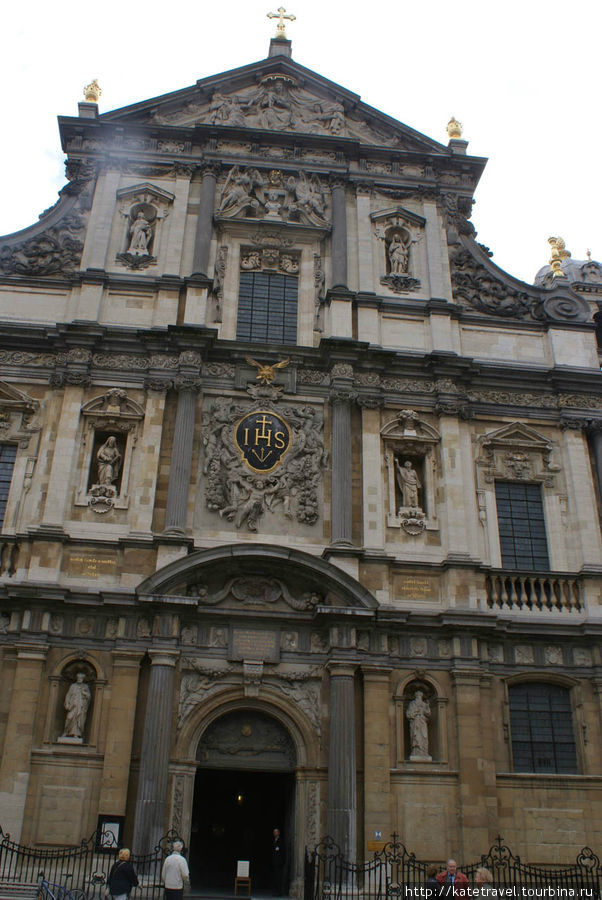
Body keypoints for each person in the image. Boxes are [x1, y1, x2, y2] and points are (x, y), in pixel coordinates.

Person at [62, 672, 91, 739]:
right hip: (73, 705)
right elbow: (68, 695)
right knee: (69, 718)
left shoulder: (85, 686)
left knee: (79, 719)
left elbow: (89, 696)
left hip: (81, 706)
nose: (79, 679)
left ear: (83, 679)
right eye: (78, 678)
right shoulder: (73, 686)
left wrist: (84, 693)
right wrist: (67, 703)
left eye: (81, 678)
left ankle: (76, 734)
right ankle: (66, 732)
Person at [271, 827, 286, 896]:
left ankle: (279, 892)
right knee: (275, 877)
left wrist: (282, 861)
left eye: (276, 832)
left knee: (279, 877)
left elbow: (283, 852)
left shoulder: (281, 841)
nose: (275, 833)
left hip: (279, 862)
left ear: (279, 833)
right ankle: (276, 891)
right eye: (274, 832)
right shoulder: (274, 840)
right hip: (275, 862)